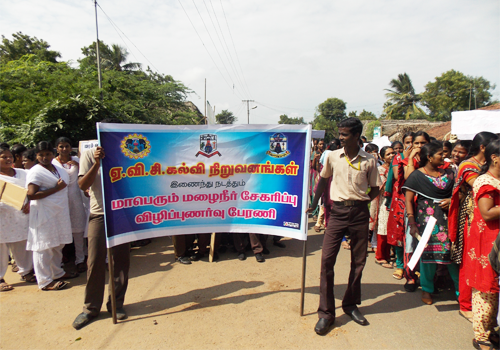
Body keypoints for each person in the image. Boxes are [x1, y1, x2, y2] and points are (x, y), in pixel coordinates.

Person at [309, 117, 381, 335]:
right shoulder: (332, 156)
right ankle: (326, 314)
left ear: (357, 136)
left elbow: (376, 187)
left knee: (358, 262)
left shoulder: (369, 160)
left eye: (345, 134)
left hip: (359, 213)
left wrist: (363, 201)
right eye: (340, 133)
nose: (340, 137)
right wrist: (312, 206)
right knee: (326, 261)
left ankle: (350, 305)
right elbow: (322, 181)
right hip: (337, 213)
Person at [72, 140, 131, 330]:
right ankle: (91, 308)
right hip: (100, 214)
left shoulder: (129, 154)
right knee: (95, 260)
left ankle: (116, 304)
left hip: (122, 214)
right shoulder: (90, 155)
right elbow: (82, 185)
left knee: (120, 262)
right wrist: (97, 164)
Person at [448, 132, 498, 322]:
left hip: (485, 217)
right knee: (470, 259)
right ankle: (466, 303)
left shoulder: (483, 166)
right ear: (484, 148)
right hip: (471, 218)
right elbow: (478, 184)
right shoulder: (468, 165)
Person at [403, 142, 458, 305]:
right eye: (440, 154)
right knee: (428, 257)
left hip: (449, 220)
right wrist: (412, 222)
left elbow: (459, 193)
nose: (444, 157)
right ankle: (427, 289)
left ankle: (460, 291)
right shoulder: (417, 175)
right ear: (429, 157)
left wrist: (451, 200)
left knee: (453, 256)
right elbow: (408, 200)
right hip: (426, 222)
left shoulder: (450, 173)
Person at [26, 141, 76, 291]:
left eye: (47, 154)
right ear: (36, 156)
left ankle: (57, 272)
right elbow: (31, 195)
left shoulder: (57, 168)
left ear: (53, 154)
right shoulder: (36, 171)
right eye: (41, 155)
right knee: (44, 246)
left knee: (57, 244)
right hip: (44, 213)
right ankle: (44, 281)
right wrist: (56, 189)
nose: (44, 157)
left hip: (59, 212)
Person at [465, 140, 500, 350]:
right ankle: (481, 336)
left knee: (495, 289)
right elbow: (487, 213)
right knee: (485, 289)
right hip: (487, 240)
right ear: (495, 158)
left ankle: (491, 330)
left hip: (496, 239)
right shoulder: (485, 181)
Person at [387, 131, 431, 290]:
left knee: (430, 242)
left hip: (432, 207)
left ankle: (427, 278)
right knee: (411, 240)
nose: (419, 146)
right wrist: (411, 158)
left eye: (423, 143)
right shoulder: (406, 161)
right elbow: (409, 178)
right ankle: (410, 276)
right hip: (412, 205)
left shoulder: (436, 161)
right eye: (416, 143)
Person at [0, 146, 35, 292]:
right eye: (4, 157)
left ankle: (26, 271)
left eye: (10, 156)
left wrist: (30, 204)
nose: (8, 159)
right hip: (2, 216)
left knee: (22, 243)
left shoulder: (24, 173)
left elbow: (33, 191)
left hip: (22, 216)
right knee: (1, 247)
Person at [53, 137, 88, 273]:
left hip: (76, 199)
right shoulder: (52, 163)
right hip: (59, 201)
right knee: (59, 232)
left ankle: (80, 260)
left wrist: (78, 165)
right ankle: (59, 262)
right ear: (57, 148)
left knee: (78, 231)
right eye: (61, 146)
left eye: (67, 146)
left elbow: (83, 176)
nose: (64, 149)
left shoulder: (77, 161)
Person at [373, 146, 395, 268]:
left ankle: (387, 255)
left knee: (391, 229)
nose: (391, 156)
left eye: (393, 153)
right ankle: (380, 256)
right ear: (382, 157)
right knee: (383, 228)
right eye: (388, 154)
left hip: (395, 202)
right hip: (384, 202)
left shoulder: (397, 167)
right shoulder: (380, 169)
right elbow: (382, 187)